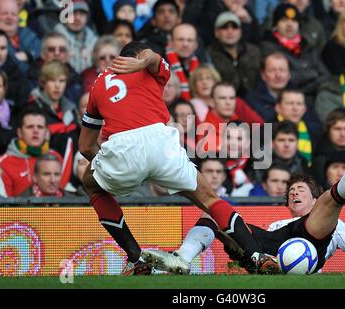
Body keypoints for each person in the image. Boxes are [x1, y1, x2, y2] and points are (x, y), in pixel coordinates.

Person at [79, 41, 277, 276]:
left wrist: (108, 165)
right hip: (161, 143)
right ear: (136, 57)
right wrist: (144, 61)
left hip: (121, 149)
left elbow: (85, 146)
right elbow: (152, 57)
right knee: (209, 199)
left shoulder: (98, 84)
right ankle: (257, 255)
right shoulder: (150, 68)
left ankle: (135, 258)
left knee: (90, 182)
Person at [152, 120, 345, 274]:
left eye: (301, 190)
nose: (294, 192)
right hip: (270, 252)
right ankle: (181, 259)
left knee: (331, 201)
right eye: (291, 191)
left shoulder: (334, 225)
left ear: (313, 198)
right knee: (212, 214)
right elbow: (262, 248)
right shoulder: (278, 226)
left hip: (311, 240)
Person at [0, 108, 63, 197]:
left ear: (47, 132)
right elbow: (3, 205)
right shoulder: (4, 163)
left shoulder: (56, 158)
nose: (35, 131)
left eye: (40, 127)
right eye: (30, 127)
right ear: (19, 132)